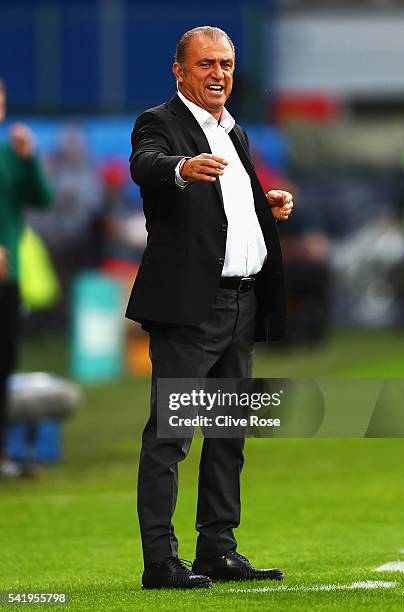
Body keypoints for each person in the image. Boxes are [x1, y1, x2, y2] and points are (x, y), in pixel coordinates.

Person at [126, 26, 294, 589]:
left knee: (227, 436)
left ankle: (217, 550)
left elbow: (227, 209)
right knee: (172, 436)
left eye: (226, 63)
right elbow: (145, 164)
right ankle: (159, 561)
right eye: (206, 65)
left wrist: (266, 206)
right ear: (179, 71)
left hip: (241, 304)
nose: (219, 74)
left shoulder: (233, 130)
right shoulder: (161, 123)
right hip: (190, 309)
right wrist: (180, 168)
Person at [0, 78, 53, 478]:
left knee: (5, 364)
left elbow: (43, 199)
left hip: (7, 279)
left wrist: (29, 158)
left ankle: (2, 455)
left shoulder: (10, 155)